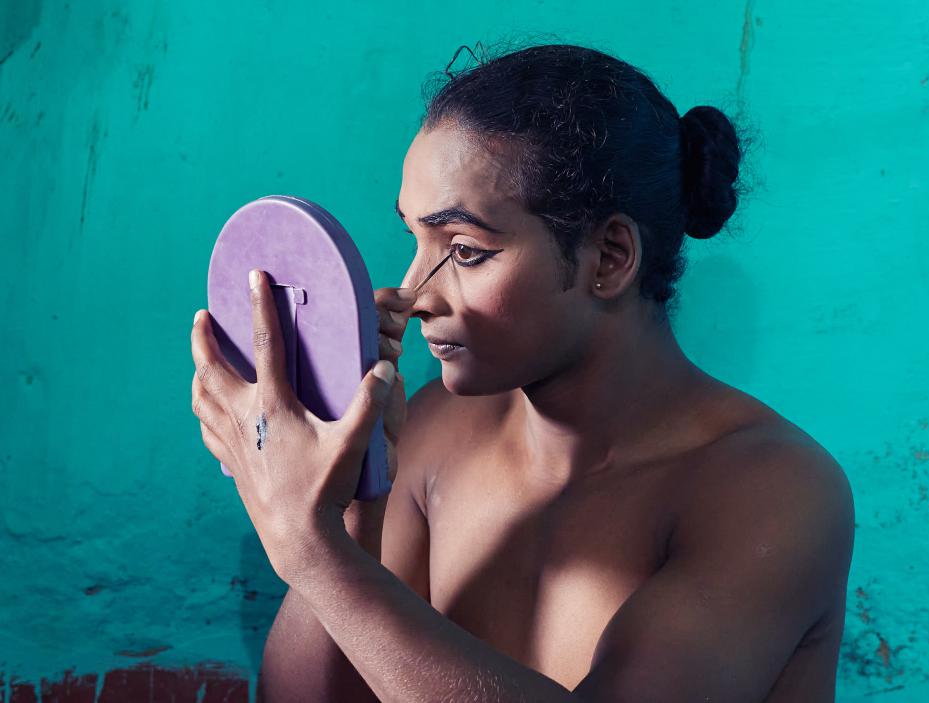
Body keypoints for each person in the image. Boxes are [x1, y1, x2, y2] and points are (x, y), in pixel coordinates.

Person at [257, 42, 855, 702]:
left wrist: (309, 549)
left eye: (464, 250)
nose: (415, 292)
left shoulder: (774, 490)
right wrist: (350, 501)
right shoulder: (433, 430)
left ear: (610, 257)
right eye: (415, 239)